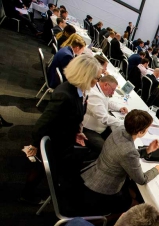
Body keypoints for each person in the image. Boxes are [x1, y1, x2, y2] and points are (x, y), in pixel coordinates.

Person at [21, 56, 102, 204]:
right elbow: (43, 123)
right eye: (97, 78)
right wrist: (35, 144)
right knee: (41, 168)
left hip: (64, 138)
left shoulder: (77, 91)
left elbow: (71, 117)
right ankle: (27, 195)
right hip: (55, 141)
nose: (98, 81)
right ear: (87, 76)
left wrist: (76, 132)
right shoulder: (65, 95)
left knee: (46, 170)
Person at [81, 110, 159, 214]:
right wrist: (156, 169)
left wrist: (147, 150)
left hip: (92, 173)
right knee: (134, 205)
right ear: (140, 132)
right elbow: (142, 179)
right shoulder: (129, 151)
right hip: (102, 190)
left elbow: (123, 154)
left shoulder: (120, 130)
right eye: (147, 129)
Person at [82, 75, 128, 156]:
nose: (113, 93)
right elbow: (104, 118)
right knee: (108, 152)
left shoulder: (100, 91)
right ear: (106, 85)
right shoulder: (94, 95)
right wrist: (124, 123)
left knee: (118, 140)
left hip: (99, 129)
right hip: (88, 130)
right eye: (113, 90)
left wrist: (119, 108)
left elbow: (107, 102)